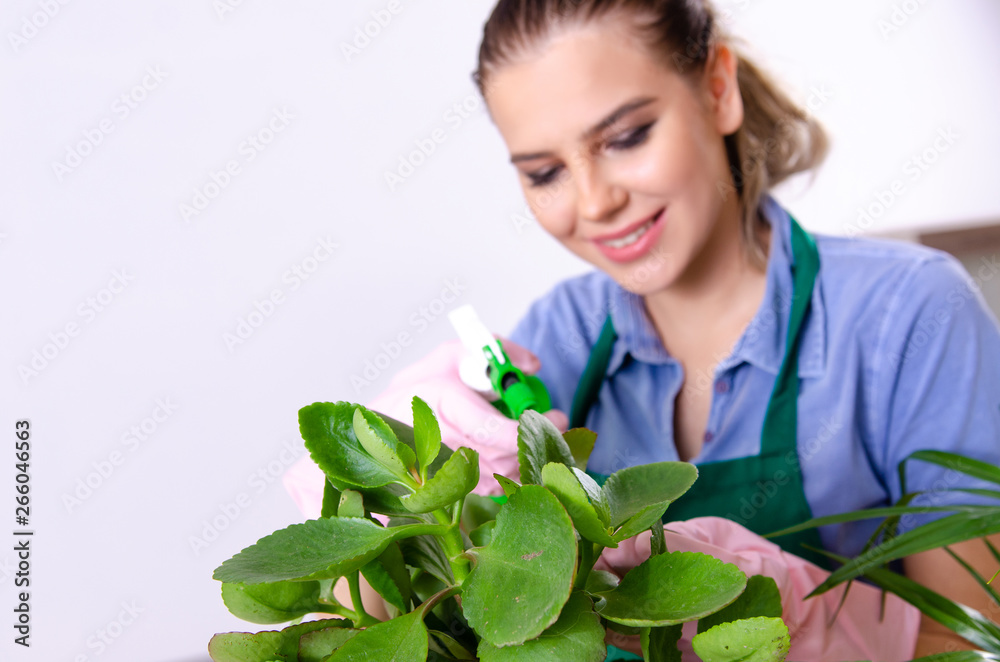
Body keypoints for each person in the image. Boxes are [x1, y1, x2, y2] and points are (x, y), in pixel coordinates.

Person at [284, 0, 1000, 658]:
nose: (594, 202)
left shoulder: (907, 315)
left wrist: (808, 619)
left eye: (626, 137)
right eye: (543, 172)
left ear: (718, 88)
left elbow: (977, 638)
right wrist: (390, 510)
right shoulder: (559, 336)